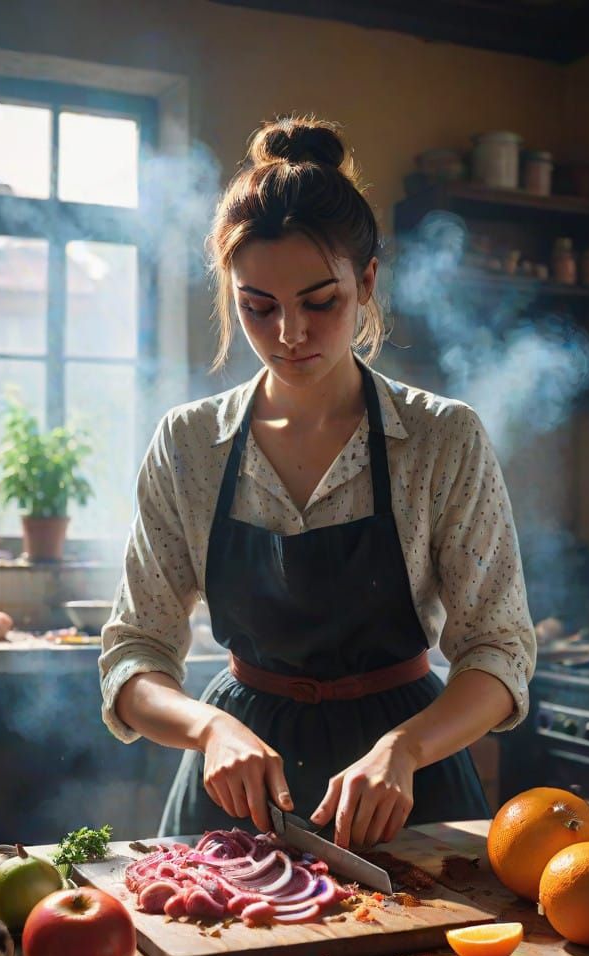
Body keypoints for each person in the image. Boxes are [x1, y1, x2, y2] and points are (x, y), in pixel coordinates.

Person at [99, 115, 536, 850]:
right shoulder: (188, 446)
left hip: (412, 788)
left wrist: (406, 749)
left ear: (366, 283)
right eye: (258, 307)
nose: (290, 333)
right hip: (236, 798)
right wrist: (209, 728)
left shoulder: (440, 437)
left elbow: (499, 655)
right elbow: (133, 658)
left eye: (319, 301)